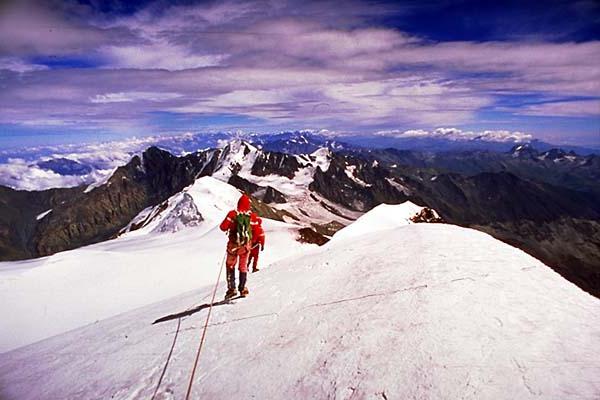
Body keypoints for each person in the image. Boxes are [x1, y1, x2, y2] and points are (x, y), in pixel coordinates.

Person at [219, 193, 261, 299]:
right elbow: (256, 232)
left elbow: (223, 227)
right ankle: (242, 289)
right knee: (243, 267)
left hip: (233, 245)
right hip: (245, 247)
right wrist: (250, 242)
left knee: (230, 266)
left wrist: (231, 227)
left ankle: (231, 289)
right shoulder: (252, 217)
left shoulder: (232, 214)